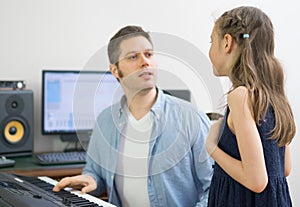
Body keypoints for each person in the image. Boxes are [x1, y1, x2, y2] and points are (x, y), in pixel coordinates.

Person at [53, 25, 213, 207]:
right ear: (115, 70)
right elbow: (95, 172)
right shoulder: (105, 121)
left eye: (149, 54)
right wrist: (92, 180)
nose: (145, 62)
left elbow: (215, 188)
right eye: (133, 57)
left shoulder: (191, 118)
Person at [205, 6, 296, 207]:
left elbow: (257, 181)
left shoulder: (240, 96)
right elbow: (284, 167)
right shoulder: (275, 94)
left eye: (212, 41)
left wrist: (212, 146)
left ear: (227, 42)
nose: (210, 48)